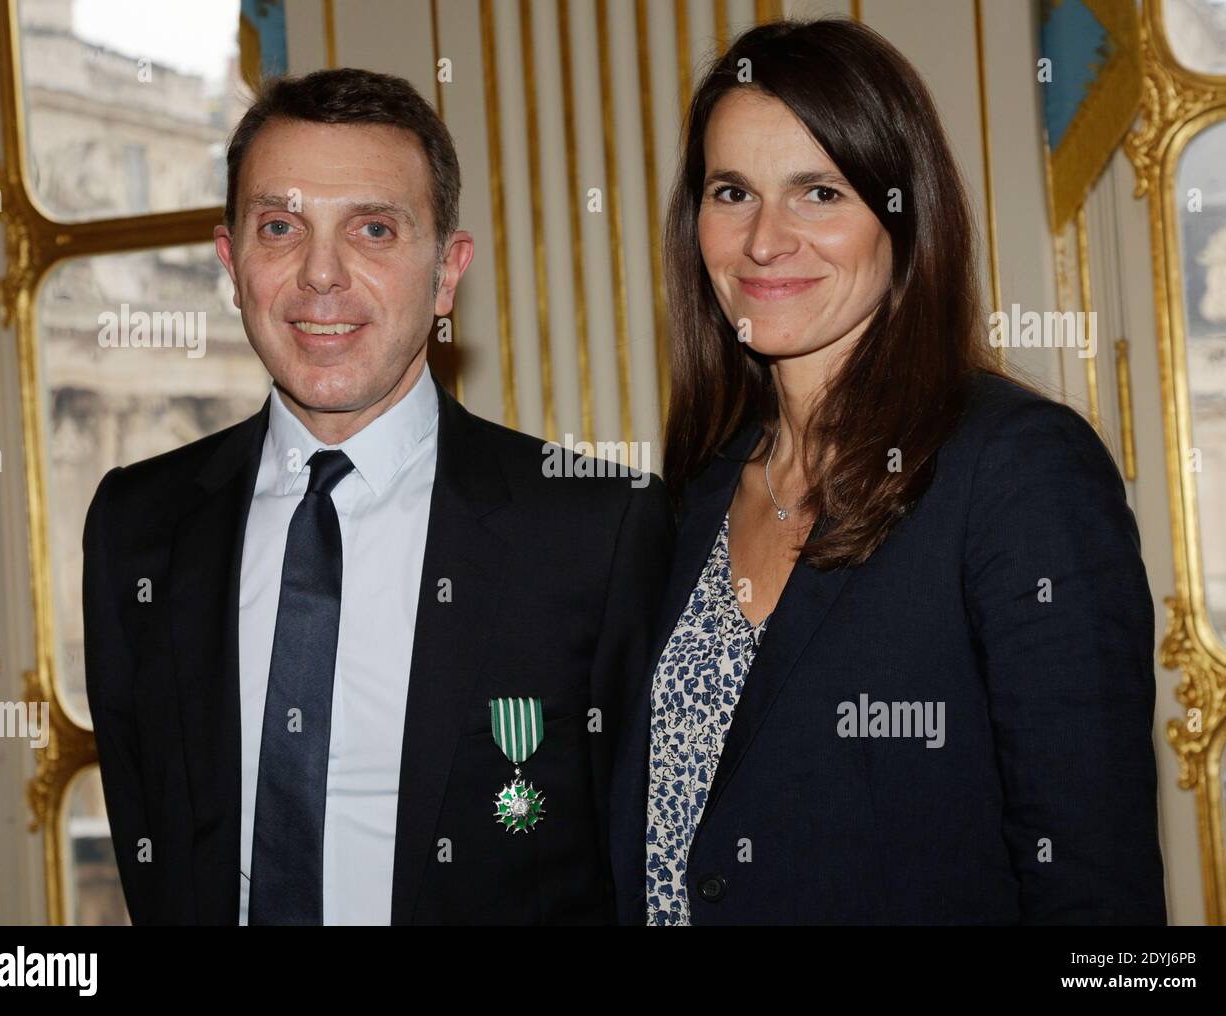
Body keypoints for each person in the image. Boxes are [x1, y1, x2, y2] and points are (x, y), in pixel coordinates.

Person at [609, 18, 1167, 925]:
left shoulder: (1021, 471)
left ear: (904, 217)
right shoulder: (697, 491)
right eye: (731, 192)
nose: (763, 240)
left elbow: (1098, 895)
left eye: (820, 192)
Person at [83, 68, 671, 925]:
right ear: (230, 261)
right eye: (280, 227)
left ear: (445, 273)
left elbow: (637, 869)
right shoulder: (138, 526)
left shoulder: (596, 530)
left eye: (374, 229)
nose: (321, 275)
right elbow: (154, 843)